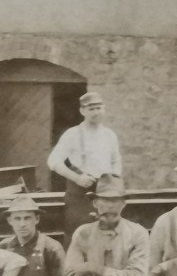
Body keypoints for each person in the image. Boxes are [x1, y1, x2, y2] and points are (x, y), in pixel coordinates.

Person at [46, 91, 122, 247]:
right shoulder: (72, 134)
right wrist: (76, 178)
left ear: (104, 109)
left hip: (105, 192)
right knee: (78, 236)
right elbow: (53, 161)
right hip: (79, 194)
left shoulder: (109, 135)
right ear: (82, 111)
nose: (95, 112)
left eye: (98, 108)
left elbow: (116, 161)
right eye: (91, 109)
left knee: (108, 235)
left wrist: (113, 181)